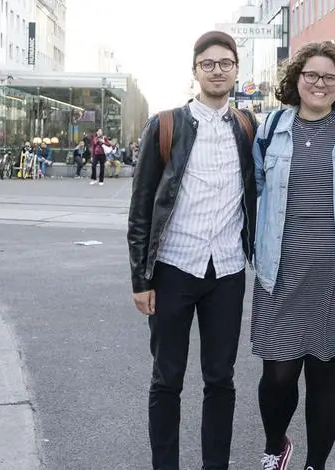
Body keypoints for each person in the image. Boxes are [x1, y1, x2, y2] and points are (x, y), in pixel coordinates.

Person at [127, 30, 258, 470]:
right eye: (208, 64)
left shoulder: (246, 127)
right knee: (167, 379)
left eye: (225, 63)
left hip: (226, 271)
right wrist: (140, 280)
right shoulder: (166, 124)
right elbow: (141, 208)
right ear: (195, 71)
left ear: (237, 69)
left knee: (220, 379)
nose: (217, 71)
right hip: (174, 268)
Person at [251, 41, 335, 470]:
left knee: (324, 377)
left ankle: (315, 464)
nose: (319, 83)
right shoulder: (271, 128)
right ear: (296, 79)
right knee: (277, 376)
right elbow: (256, 189)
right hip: (280, 273)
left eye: (329, 77)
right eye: (311, 75)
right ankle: (276, 446)